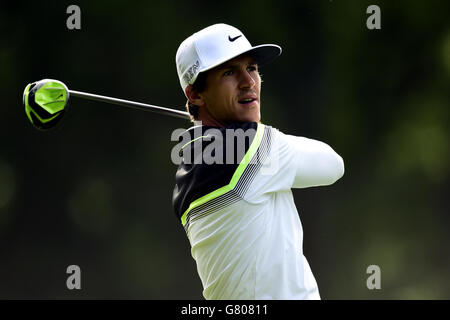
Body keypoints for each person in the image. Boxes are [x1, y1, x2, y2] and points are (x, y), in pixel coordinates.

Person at [172, 23, 344, 300]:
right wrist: (268, 135)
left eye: (251, 68)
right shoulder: (249, 146)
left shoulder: (190, 162)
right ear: (194, 94)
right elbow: (334, 165)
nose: (248, 81)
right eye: (229, 72)